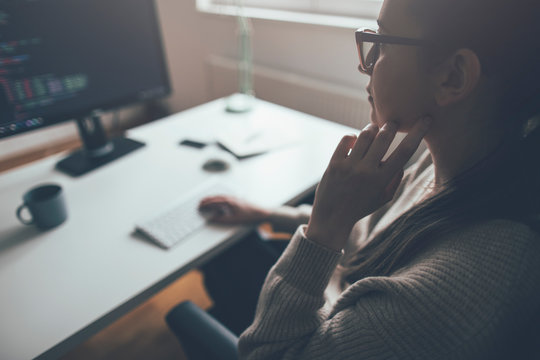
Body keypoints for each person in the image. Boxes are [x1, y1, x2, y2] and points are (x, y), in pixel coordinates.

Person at [198, 0, 540, 358]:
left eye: (385, 41)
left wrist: (324, 229)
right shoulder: (457, 162)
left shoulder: (452, 294)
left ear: (452, 76)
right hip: (338, 287)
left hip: (315, 324)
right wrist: (268, 213)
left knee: (219, 260)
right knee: (229, 246)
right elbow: (371, 237)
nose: (366, 64)